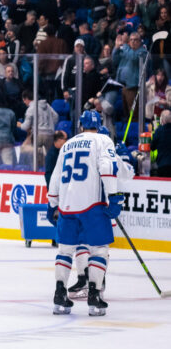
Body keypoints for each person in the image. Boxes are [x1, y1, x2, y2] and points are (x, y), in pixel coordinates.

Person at [47, 110, 122, 317]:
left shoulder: (67, 144)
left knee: (65, 250)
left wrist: (52, 203)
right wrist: (114, 196)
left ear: (81, 126)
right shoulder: (102, 140)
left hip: (67, 205)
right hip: (92, 205)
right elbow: (107, 167)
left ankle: (60, 293)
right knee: (98, 250)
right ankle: (94, 295)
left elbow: (55, 176)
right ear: (98, 125)